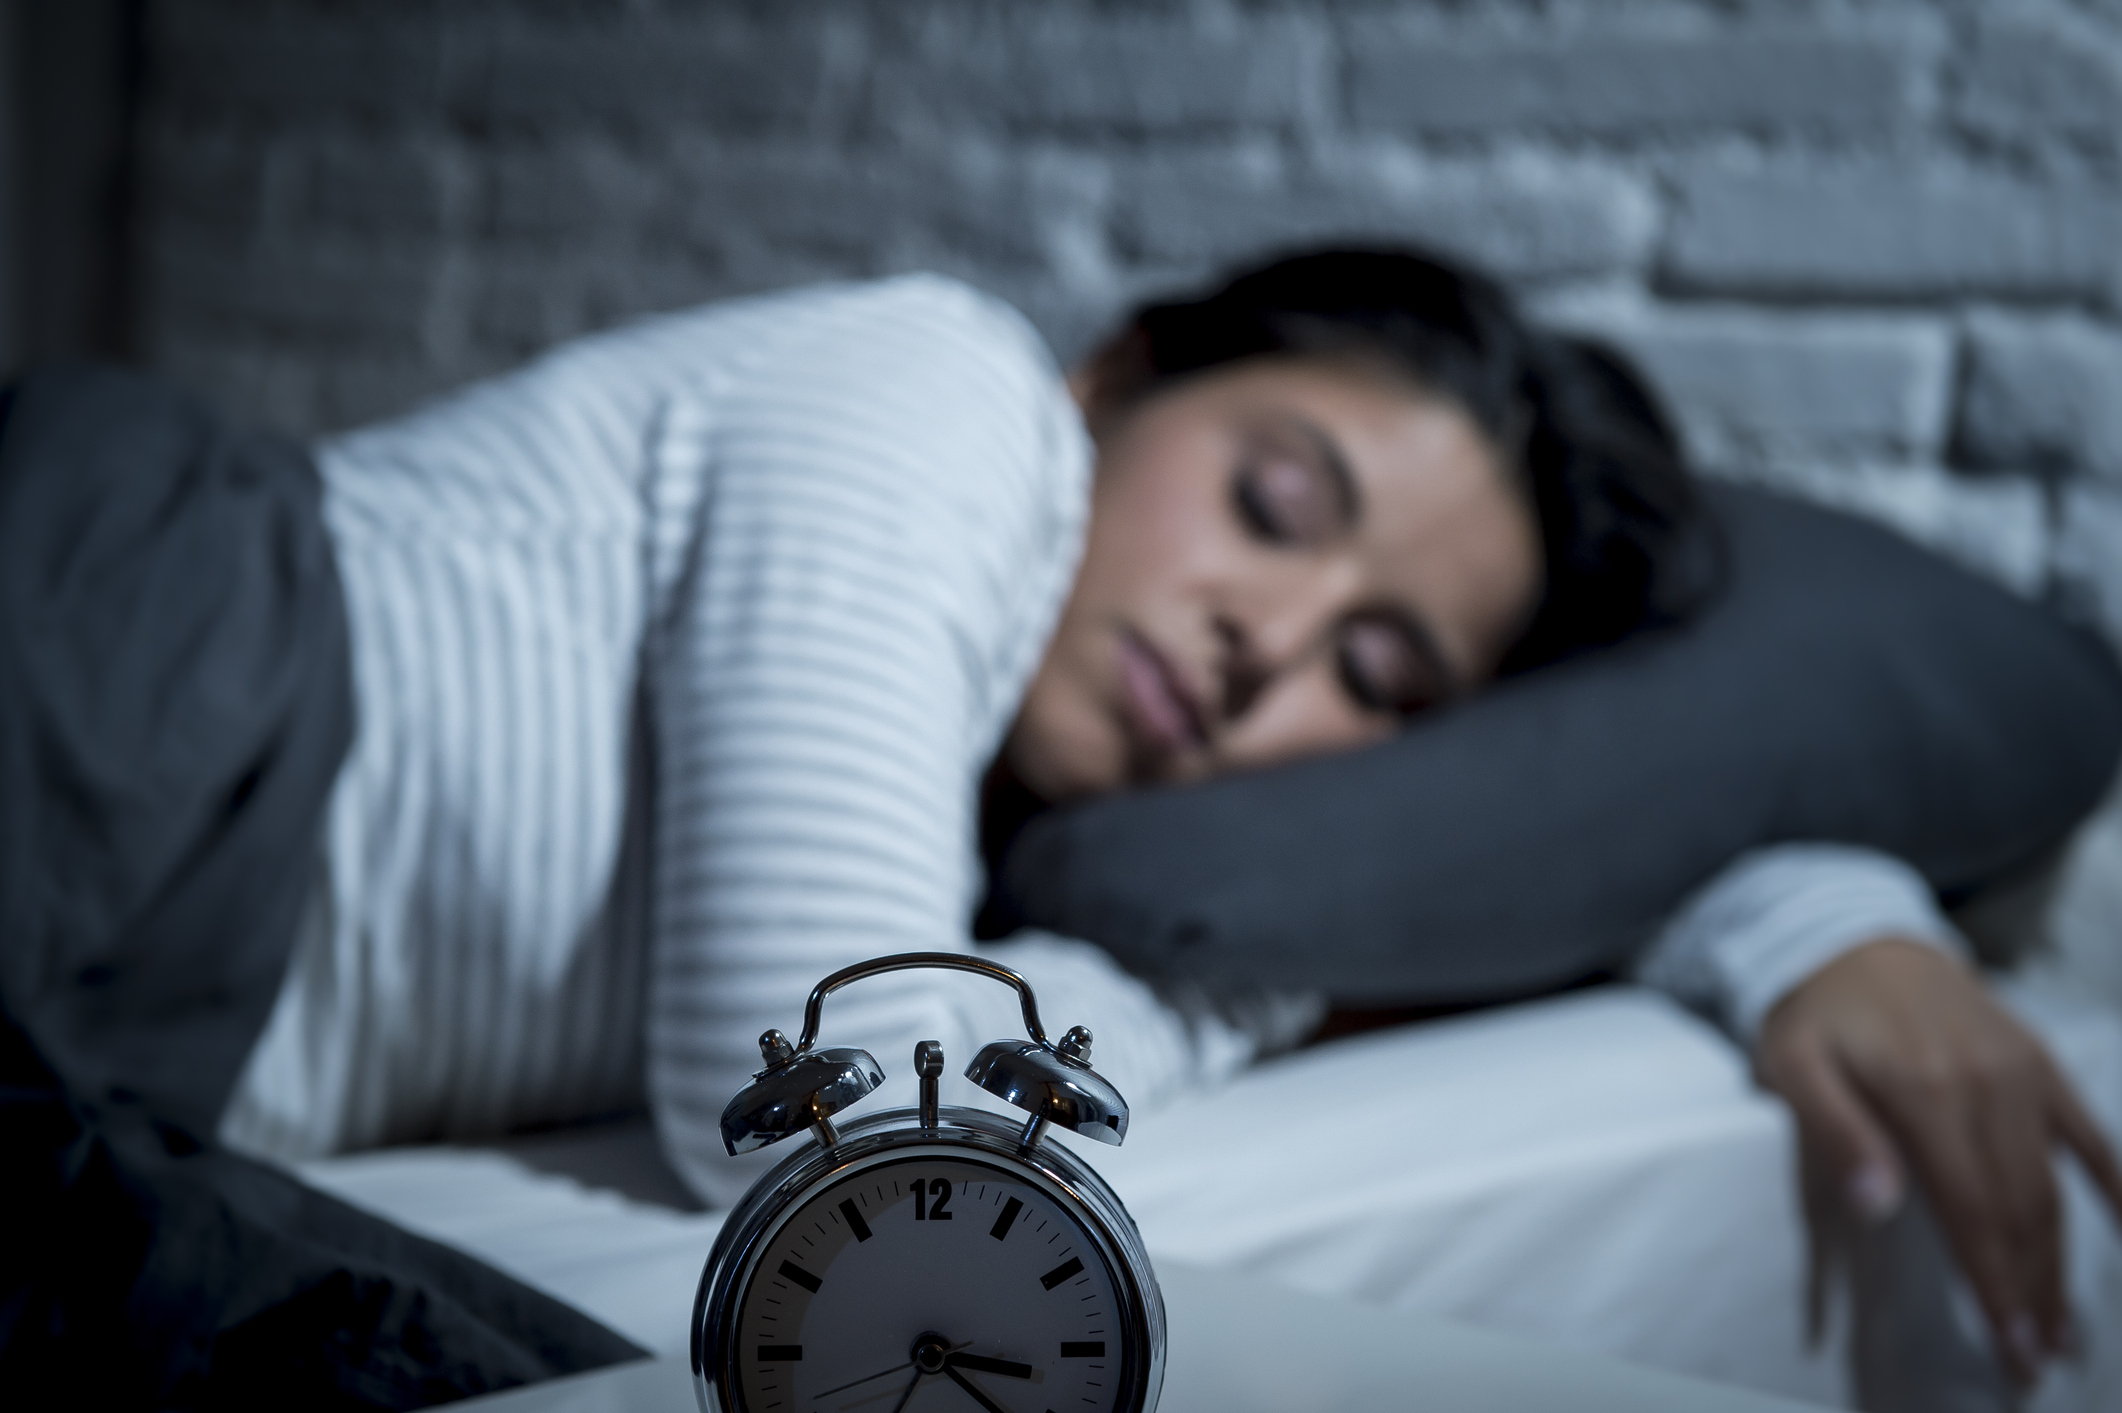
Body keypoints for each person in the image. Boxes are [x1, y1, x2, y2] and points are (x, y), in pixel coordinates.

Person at [1, 247, 2113, 1401]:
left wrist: (1820, 921)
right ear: (1120, 377)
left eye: (1376, 680)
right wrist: (1256, 991)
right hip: (143, 647)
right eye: (1275, 502)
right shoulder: (940, 395)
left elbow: (1542, 833)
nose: (1265, 636)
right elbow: (824, 1121)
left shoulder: (1005, 844)